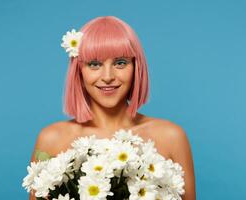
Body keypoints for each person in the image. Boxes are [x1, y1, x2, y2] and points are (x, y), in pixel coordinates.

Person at [29, 16, 196, 200]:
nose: (108, 76)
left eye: (120, 63)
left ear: (136, 68)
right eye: (94, 64)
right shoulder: (51, 140)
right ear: (79, 70)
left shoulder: (171, 137)